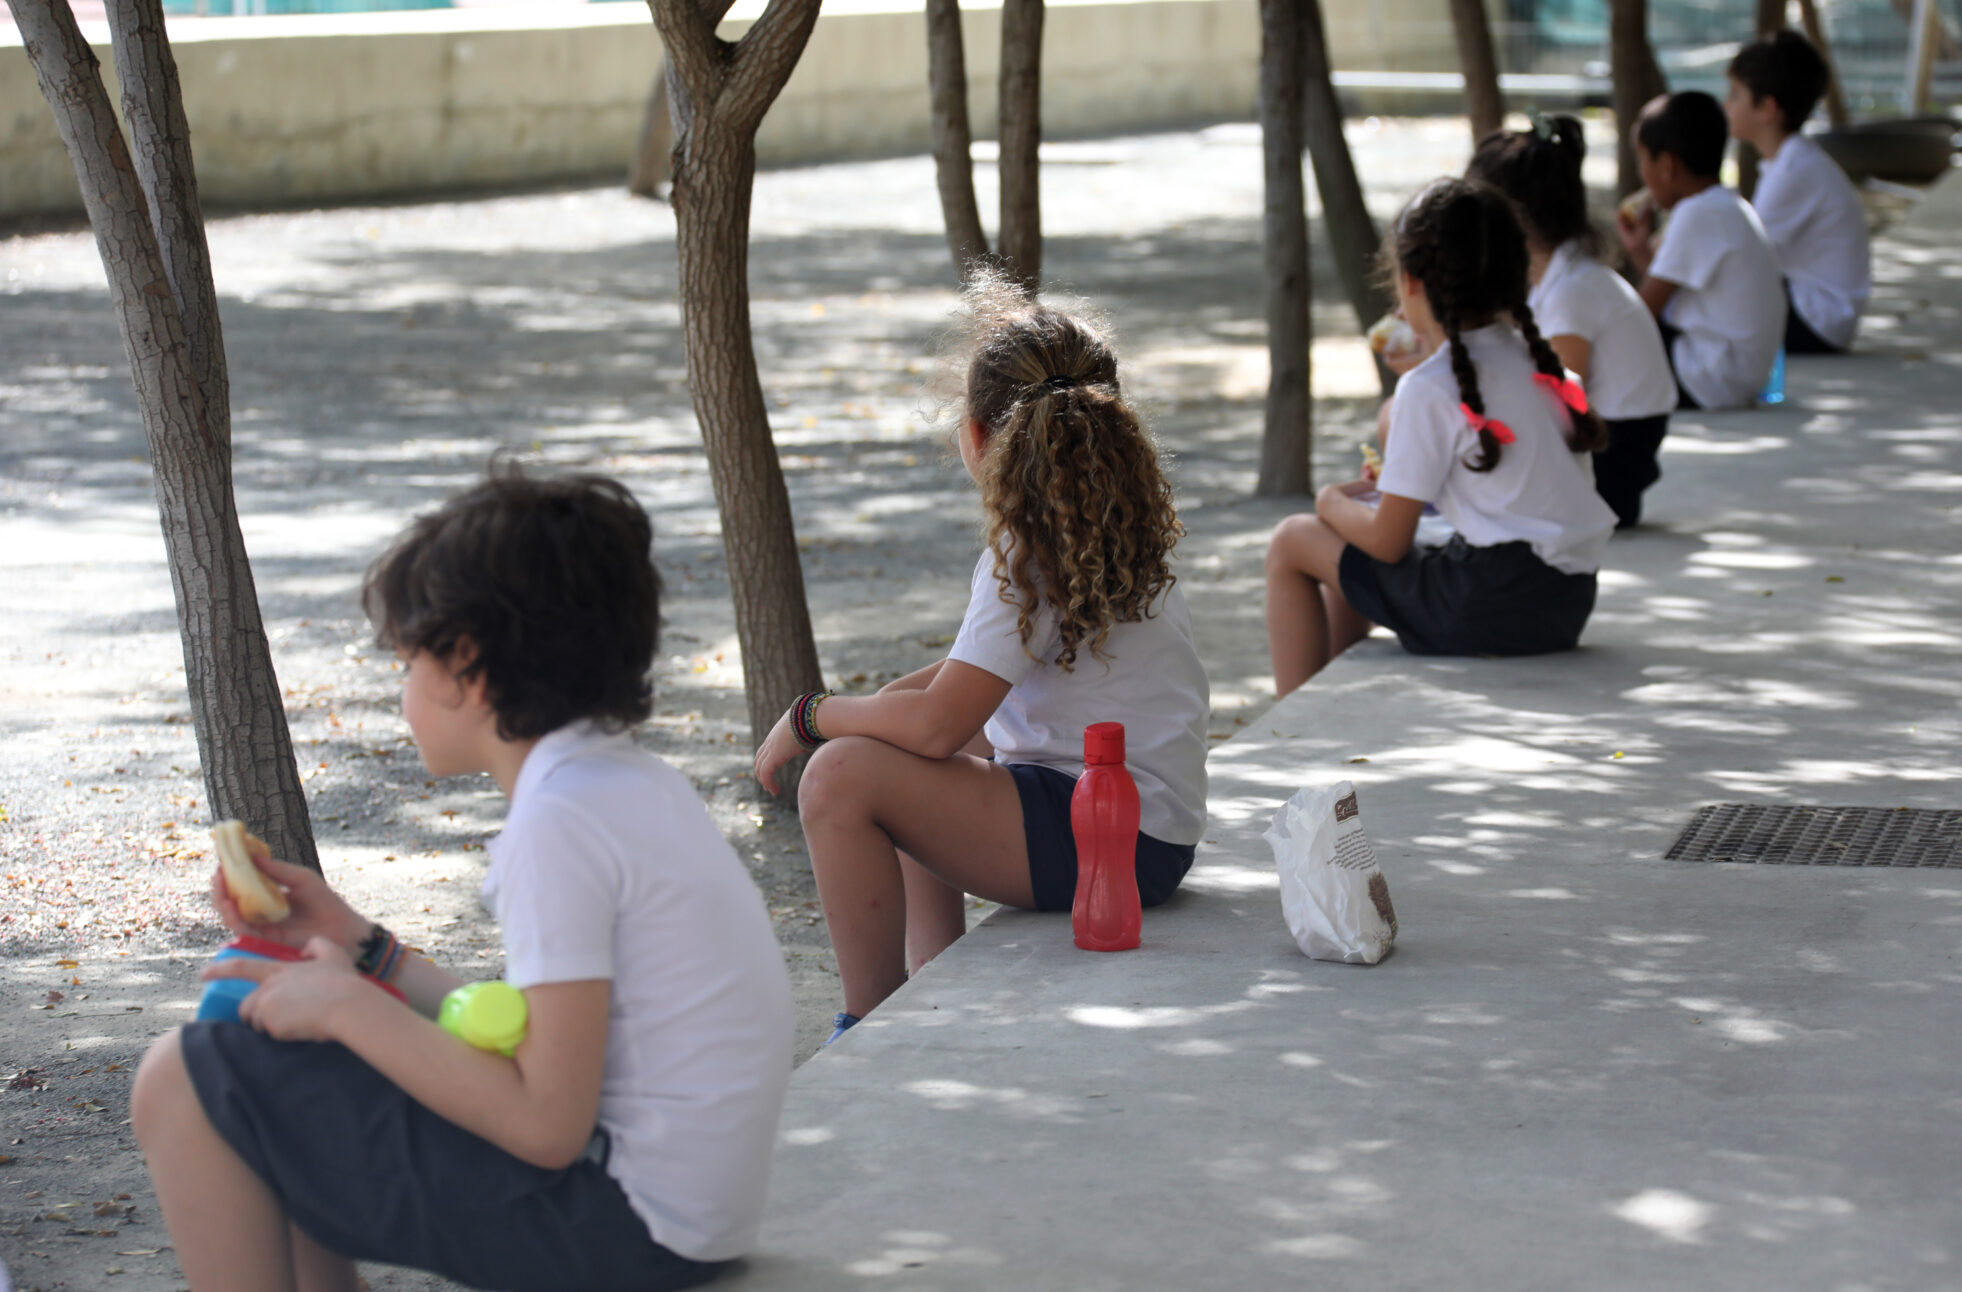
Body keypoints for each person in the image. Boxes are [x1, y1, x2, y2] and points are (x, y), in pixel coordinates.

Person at [131, 469, 795, 1292]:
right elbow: (533, 1034)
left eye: (408, 661)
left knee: (185, 1079)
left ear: (466, 665)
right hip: (678, 1216)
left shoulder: (558, 827)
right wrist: (362, 948)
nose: (403, 689)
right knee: (269, 1091)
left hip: (622, 1226)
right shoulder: (630, 786)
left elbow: (546, 1124)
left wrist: (345, 1008)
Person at [753, 276, 1208, 1043]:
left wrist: (811, 717)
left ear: (975, 436)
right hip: (1149, 838)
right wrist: (880, 712)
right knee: (902, 735)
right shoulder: (1105, 532)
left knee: (841, 776)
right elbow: (965, 684)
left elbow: (937, 724)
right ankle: (932, 978)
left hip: (1105, 841)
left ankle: (867, 1027)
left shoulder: (1027, 549)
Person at [1264, 178, 1617, 696]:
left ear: (1410, 281)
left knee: (1293, 538)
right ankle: (1327, 691)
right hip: (1566, 603)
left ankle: (1292, 715)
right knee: (1352, 541)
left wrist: (1330, 501)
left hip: (1485, 605)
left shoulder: (1428, 386)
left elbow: (1387, 544)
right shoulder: (1546, 368)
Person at [1468, 112, 1679, 528]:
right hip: (1614, 448)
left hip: (1612, 460)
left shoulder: (1571, 290)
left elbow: (1555, 405)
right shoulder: (1563, 276)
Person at [1615, 90, 1787, 409]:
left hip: (1712, 378)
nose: (1642, 174)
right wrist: (1639, 250)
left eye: (1642, 160)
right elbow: (1668, 293)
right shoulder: (1725, 204)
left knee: (1611, 341)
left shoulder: (1698, 213)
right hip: (1737, 375)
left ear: (1666, 165)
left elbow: (1644, 310)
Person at [1726, 28, 1871, 356]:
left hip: (1817, 321)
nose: (1727, 104)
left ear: (1767, 108)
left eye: (1735, 94)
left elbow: (1742, 256)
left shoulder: (1793, 171)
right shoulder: (1791, 161)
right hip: (1818, 315)